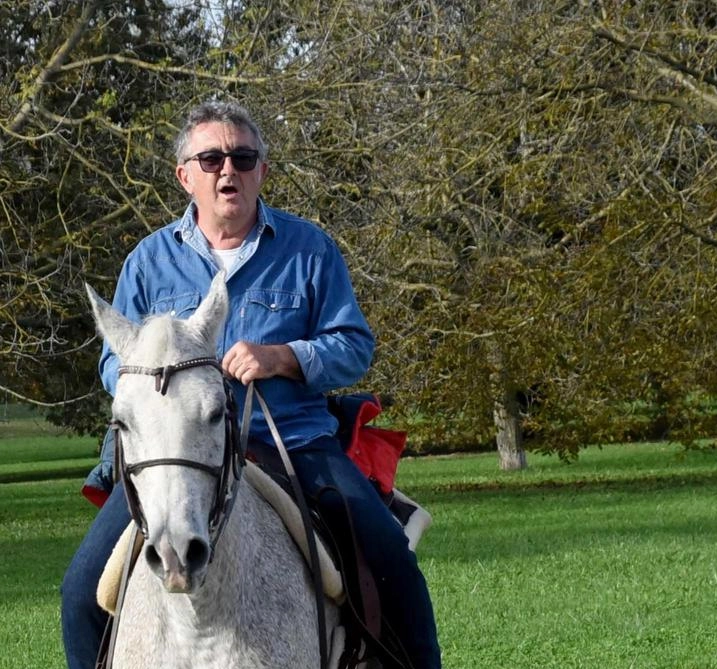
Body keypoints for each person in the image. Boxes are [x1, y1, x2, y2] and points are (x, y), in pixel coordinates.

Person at [60, 100, 441, 669]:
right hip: (175, 458)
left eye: (242, 156)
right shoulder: (146, 264)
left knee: (391, 562)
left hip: (292, 443)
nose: (227, 170)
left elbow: (354, 346)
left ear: (263, 169)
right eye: (211, 158)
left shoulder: (309, 250)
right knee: (79, 591)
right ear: (185, 175)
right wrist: (157, 382)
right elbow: (113, 365)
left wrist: (284, 356)